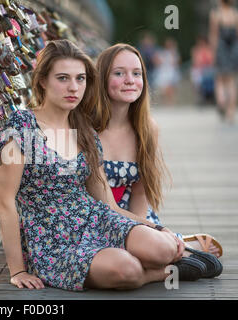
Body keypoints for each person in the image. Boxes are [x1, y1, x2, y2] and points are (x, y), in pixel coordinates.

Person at [0, 39, 221, 291]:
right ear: (42, 81)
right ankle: (158, 272)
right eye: (63, 78)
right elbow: (5, 201)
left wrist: (159, 229)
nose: (73, 87)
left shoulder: (85, 131)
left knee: (163, 246)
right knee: (128, 271)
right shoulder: (21, 125)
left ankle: (167, 253)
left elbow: (107, 204)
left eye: (80, 79)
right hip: (51, 240)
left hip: (95, 218)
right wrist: (17, 270)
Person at [93, 43, 223, 258]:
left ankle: (174, 245)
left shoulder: (146, 128)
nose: (129, 80)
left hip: (135, 216)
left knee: (145, 250)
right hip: (93, 216)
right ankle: (184, 248)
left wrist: (138, 231)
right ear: (101, 78)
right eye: (118, 73)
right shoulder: (86, 128)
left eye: (137, 73)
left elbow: (140, 192)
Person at [209, 0, 238, 124]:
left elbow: (214, 35)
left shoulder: (216, 14)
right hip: (234, 48)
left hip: (221, 48)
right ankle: (231, 112)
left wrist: (213, 53)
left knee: (220, 79)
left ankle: (221, 102)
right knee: (232, 81)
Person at [152, 37, 181, 105]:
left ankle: (170, 102)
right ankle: (167, 101)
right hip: (164, 73)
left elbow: (176, 63)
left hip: (171, 73)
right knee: (164, 88)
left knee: (170, 87)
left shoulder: (174, 53)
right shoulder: (162, 53)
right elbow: (157, 62)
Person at [190, 35, 215, 105]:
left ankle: (209, 97)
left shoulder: (209, 50)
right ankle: (200, 98)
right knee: (196, 78)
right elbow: (196, 62)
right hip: (199, 70)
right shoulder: (195, 50)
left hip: (207, 69)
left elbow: (211, 61)